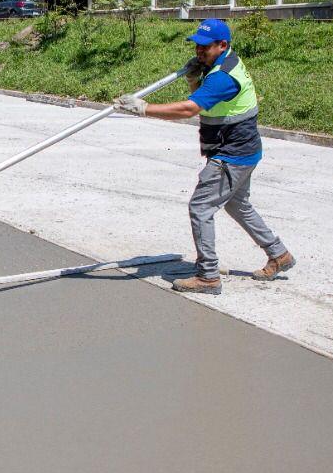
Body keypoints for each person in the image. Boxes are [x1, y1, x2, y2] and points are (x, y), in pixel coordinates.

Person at [113, 18, 294, 295]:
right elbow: (206, 101)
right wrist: (193, 78)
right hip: (244, 150)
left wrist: (143, 108)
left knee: (200, 207)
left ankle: (208, 276)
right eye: (196, 45)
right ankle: (279, 254)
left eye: (205, 47)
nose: (199, 51)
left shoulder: (223, 77)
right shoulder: (224, 64)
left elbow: (190, 109)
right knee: (237, 205)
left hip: (231, 155)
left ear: (222, 45)